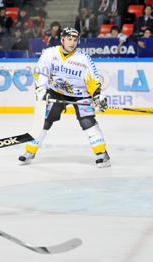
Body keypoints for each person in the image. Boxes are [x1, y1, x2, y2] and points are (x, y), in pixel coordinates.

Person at [18, 27, 110, 168]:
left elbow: (93, 79)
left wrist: (97, 95)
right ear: (62, 40)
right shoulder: (49, 53)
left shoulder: (84, 58)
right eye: (69, 39)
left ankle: (101, 154)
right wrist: (42, 89)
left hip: (80, 94)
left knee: (87, 122)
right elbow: (41, 72)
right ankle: (30, 151)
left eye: (75, 40)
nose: (72, 42)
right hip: (56, 92)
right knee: (45, 120)